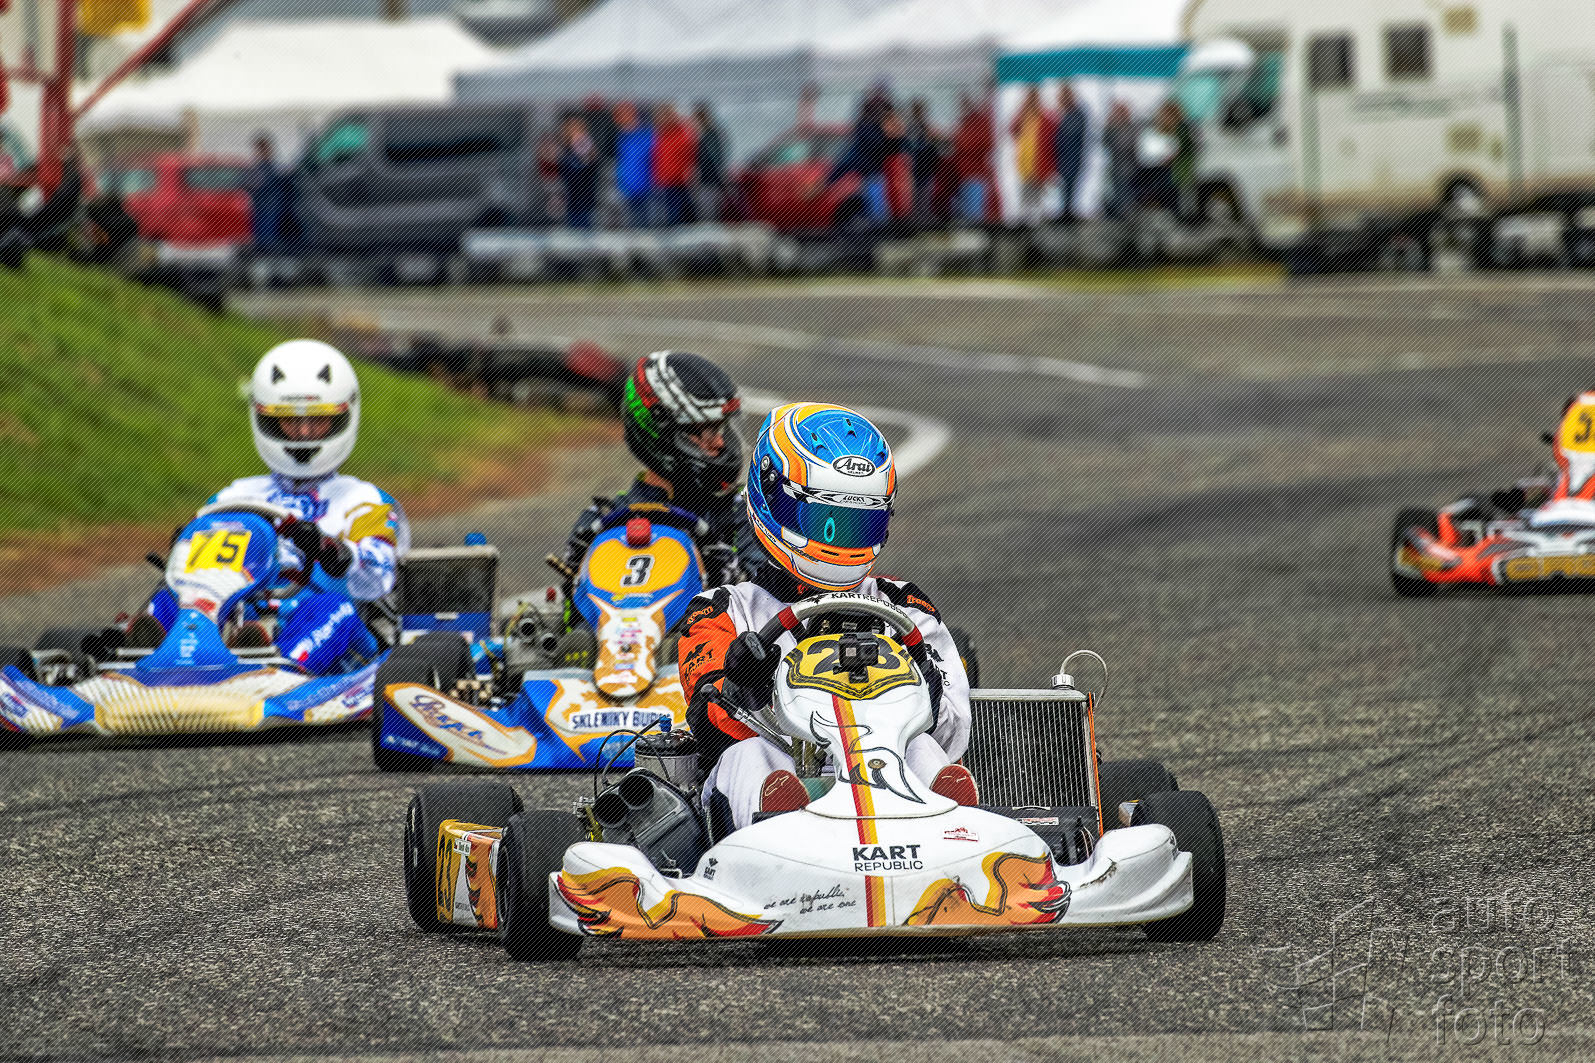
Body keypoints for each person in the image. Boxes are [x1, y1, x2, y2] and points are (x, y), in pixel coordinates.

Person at [678, 402, 974, 833]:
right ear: (772, 499)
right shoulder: (722, 609)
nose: (838, 541)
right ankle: (781, 827)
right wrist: (744, 688)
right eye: (825, 522)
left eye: (858, 525)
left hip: (889, 783)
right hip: (782, 786)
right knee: (749, 757)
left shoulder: (904, 607)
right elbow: (709, 728)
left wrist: (928, 691)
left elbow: (953, 734)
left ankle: (956, 830)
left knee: (924, 750)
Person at [134, 340, 410, 673]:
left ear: (342, 417)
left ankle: (280, 668)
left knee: (333, 607)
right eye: (289, 421)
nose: (303, 433)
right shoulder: (233, 495)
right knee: (169, 598)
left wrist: (335, 552)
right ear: (265, 419)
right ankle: (135, 658)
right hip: (234, 618)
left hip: (331, 637)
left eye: (317, 421)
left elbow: (380, 576)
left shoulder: (364, 500)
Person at [550, 350, 747, 628]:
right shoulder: (601, 521)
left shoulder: (743, 511)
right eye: (707, 432)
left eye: (722, 428)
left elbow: (767, 600)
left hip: (714, 646)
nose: (720, 443)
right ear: (663, 435)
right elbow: (574, 622)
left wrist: (727, 570)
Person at [1008, 87, 1055, 225]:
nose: (1031, 101)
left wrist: (1050, 167)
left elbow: (1051, 144)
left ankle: (1039, 227)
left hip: (1040, 166)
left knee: (1038, 201)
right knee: (1025, 200)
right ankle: (1026, 228)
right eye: (1029, 98)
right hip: (1025, 165)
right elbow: (1011, 129)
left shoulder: (1045, 118)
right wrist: (1021, 108)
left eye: (1033, 98)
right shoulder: (1023, 117)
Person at [949, 93, 994, 225]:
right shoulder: (963, 122)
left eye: (964, 103)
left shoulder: (979, 121)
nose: (962, 107)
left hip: (976, 176)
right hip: (963, 176)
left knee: (974, 217)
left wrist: (958, 139)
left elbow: (984, 144)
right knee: (967, 215)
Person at [651, 102, 697, 226]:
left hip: (677, 179)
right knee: (672, 211)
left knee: (678, 211)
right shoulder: (660, 135)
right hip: (666, 179)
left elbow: (689, 156)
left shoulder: (681, 133)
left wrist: (688, 171)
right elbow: (657, 157)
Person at [245, 134, 289, 254]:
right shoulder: (259, 167)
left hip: (270, 204)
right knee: (263, 228)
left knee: (267, 228)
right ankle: (265, 248)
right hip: (262, 204)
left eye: (263, 148)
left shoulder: (275, 167)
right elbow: (250, 185)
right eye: (260, 148)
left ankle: (267, 248)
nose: (260, 152)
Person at [613, 101, 655, 228]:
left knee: (644, 220)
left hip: (645, 185)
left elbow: (651, 159)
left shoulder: (646, 135)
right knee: (632, 221)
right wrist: (620, 179)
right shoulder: (621, 137)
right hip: (628, 185)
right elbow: (621, 161)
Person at [557, 115, 600, 229]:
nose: (577, 133)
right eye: (573, 130)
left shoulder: (587, 148)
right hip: (572, 201)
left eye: (579, 129)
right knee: (574, 229)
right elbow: (566, 173)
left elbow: (591, 169)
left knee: (587, 228)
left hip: (586, 201)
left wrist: (589, 157)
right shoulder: (566, 151)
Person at [1053, 84, 1088, 223]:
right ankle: (1065, 212)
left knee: (1069, 185)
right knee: (1065, 187)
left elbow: (1071, 135)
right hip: (1063, 158)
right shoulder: (1066, 114)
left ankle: (1067, 213)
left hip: (1072, 158)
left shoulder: (1077, 114)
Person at [1102, 99, 1138, 220]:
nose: (1119, 115)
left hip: (1129, 168)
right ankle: (1119, 214)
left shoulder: (1132, 128)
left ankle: (1127, 214)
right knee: (1117, 192)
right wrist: (1109, 125)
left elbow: (1128, 146)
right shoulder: (1114, 128)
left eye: (1120, 112)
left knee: (1127, 193)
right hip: (1116, 167)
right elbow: (1105, 142)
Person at [692, 102, 729, 222]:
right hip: (708, 178)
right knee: (708, 211)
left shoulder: (710, 134)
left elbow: (714, 158)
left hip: (710, 179)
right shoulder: (707, 133)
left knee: (709, 212)